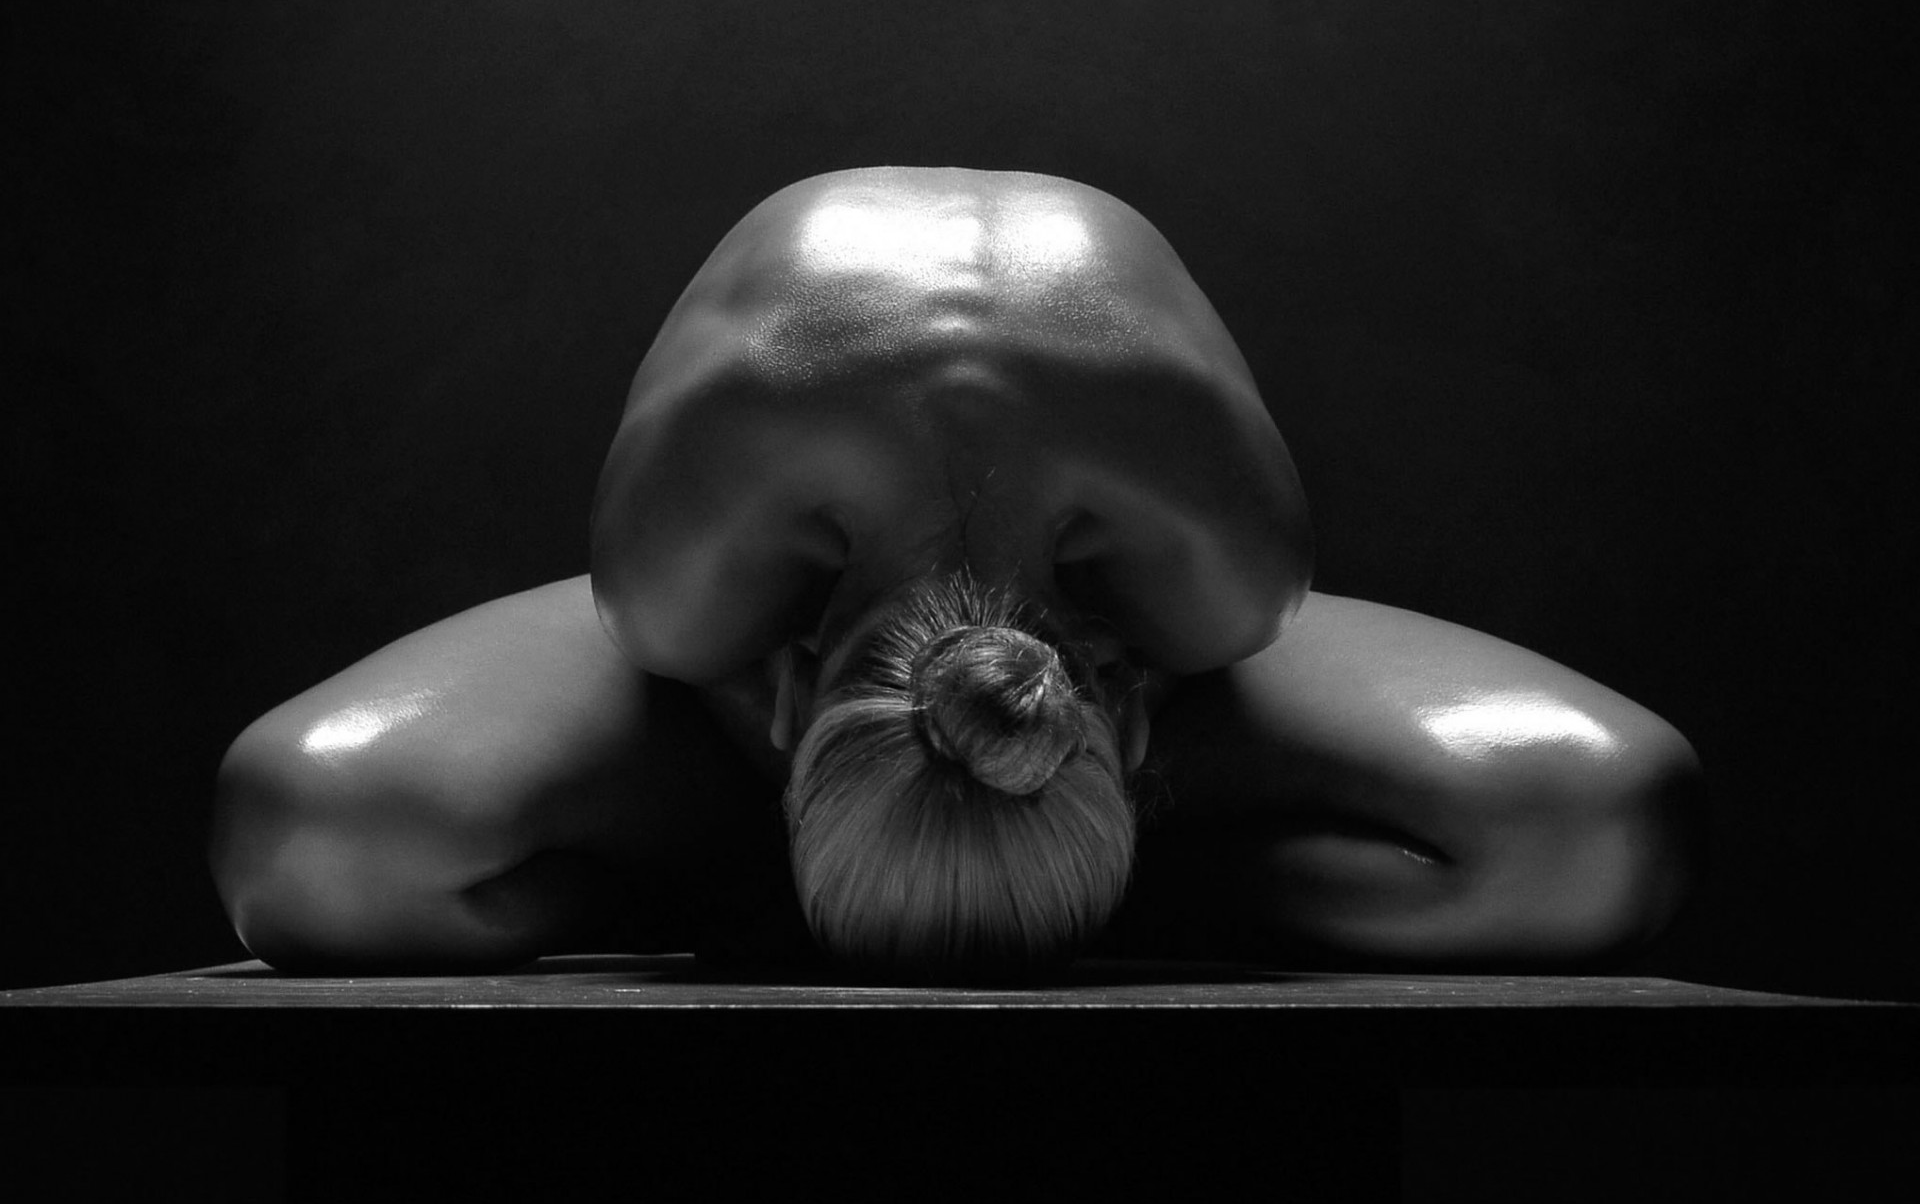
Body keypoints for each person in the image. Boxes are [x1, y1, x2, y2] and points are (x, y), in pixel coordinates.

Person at [208, 167, 1704, 982]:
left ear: (1126, 718)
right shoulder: (680, 586)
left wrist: (982, 805)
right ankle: (909, 862)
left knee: (1597, 828)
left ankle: (968, 872)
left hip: (1067, 675)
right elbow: (655, 658)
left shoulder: (1223, 578)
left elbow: (1231, 659)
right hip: (745, 661)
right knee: (315, 846)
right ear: (785, 700)